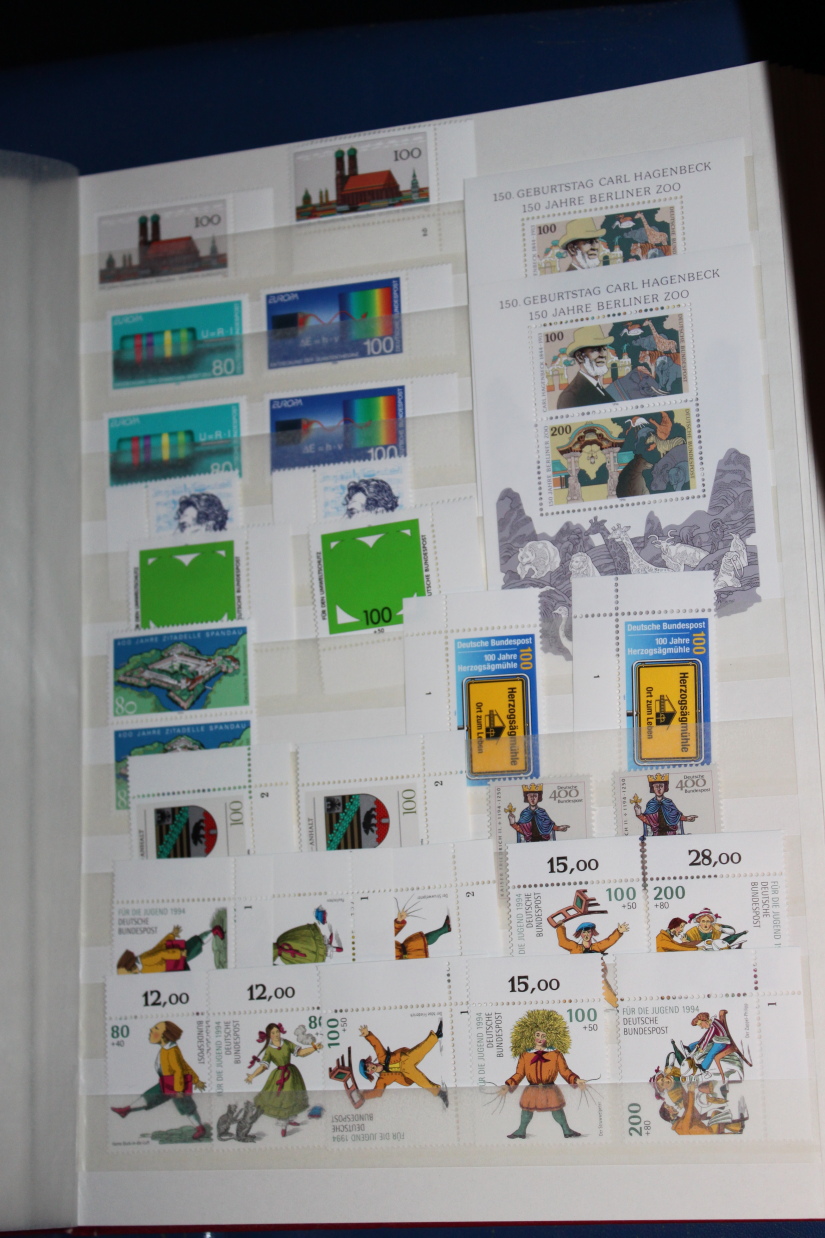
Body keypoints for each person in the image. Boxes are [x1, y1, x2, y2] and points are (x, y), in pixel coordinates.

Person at [110, 1020, 208, 1140]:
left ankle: (200, 1129)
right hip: (167, 1082)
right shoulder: (166, 1048)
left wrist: (179, 1089)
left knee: (187, 1107)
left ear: (164, 1036)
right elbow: (184, 1065)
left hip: (176, 1084)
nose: (151, 1030)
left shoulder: (171, 1050)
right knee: (150, 1096)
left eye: (156, 1029)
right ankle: (126, 1110)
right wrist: (196, 1080)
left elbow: (178, 1069)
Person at [498, 1009, 587, 1139]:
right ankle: (521, 1131)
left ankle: (566, 1130)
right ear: (531, 1035)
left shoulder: (555, 1054)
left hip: (550, 1088)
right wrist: (508, 1084)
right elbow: (519, 1073)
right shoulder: (525, 1055)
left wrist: (576, 1080)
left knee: (557, 1110)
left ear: (549, 1037)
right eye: (538, 1034)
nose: (540, 1038)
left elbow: (565, 1071)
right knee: (526, 1110)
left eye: (543, 1036)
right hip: (532, 1089)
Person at [245, 1022, 323, 1137]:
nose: (276, 1034)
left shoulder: (286, 1043)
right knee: (283, 1101)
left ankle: (290, 1119)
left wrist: (314, 1048)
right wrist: (252, 1076)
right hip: (279, 1077)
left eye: (277, 1031)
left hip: (292, 1075)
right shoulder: (269, 1049)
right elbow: (263, 1066)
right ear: (269, 1035)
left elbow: (300, 1052)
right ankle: (283, 1125)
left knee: (292, 1099)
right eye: (273, 1033)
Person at [358, 1020, 448, 1106]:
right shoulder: (382, 1079)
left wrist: (368, 1034)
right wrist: (364, 1096)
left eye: (367, 1065)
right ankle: (440, 1093)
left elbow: (376, 1044)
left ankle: (437, 1035)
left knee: (420, 1050)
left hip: (405, 1059)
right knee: (421, 1080)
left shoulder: (381, 1057)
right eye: (368, 1070)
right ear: (370, 1074)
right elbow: (378, 1092)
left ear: (369, 1062)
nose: (369, 1068)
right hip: (406, 1074)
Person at [117, 920, 226, 974]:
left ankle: (214, 931)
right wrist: (171, 935)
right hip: (172, 965)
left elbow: (161, 953)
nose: (133, 973)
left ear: (131, 966)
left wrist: (179, 953)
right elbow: (158, 947)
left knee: (195, 945)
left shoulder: (144, 960)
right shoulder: (142, 967)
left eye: (130, 971)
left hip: (174, 958)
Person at [557, 326, 616, 409]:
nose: (603, 355)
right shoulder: (569, 396)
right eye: (596, 349)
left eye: (604, 349)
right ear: (579, 357)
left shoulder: (597, 386)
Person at [272, 906, 343, 964]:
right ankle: (326, 947)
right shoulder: (283, 953)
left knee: (305, 943)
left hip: (288, 946)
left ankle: (326, 946)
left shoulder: (281, 944)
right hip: (288, 950)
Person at [632, 774, 696, 837]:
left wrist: (686, 818)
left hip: (671, 833)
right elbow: (649, 821)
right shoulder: (651, 804)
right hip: (657, 835)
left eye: (661, 786)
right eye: (656, 786)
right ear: (653, 788)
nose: (659, 789)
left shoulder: (669, 802)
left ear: (665, 787)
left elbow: (676, 816)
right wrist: (639, 814)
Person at [683, 909, 748, 950]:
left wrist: (721, 929)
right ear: (699, 921)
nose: (705, 923)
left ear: (711, 922)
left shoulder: (716, 927)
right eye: (703, 921)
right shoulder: (692, 931)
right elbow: (686, 945)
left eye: (708, 921)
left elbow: (732, 931)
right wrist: (685, 942)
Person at [554, 919, 629, 954]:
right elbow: (563, 942)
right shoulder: (575, 948)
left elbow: (609, 941)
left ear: (592, 933)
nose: (586, 934)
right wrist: (560, 927)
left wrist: (619, 931)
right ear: (580, 934)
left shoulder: (598, 947)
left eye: (588, 932)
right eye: (584, 932)